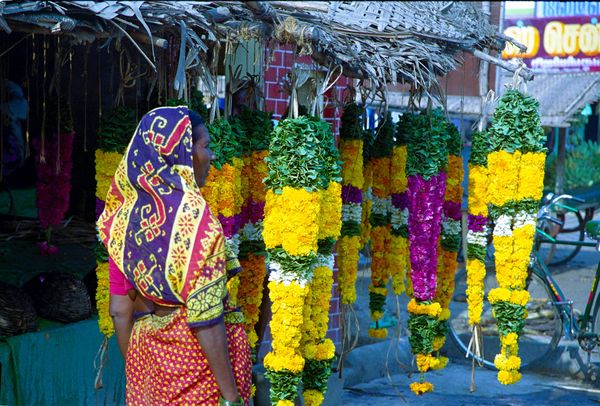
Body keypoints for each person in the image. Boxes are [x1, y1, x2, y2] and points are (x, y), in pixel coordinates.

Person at [97, 106, 251, 405]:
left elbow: (119, 310)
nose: (212, 156)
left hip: (150, 362)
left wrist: (140, 370)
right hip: (198, 370)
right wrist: (231, 397)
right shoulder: (196, 222)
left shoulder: (123, 219)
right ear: (183, 156)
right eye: (205, 146)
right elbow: (206, 319)